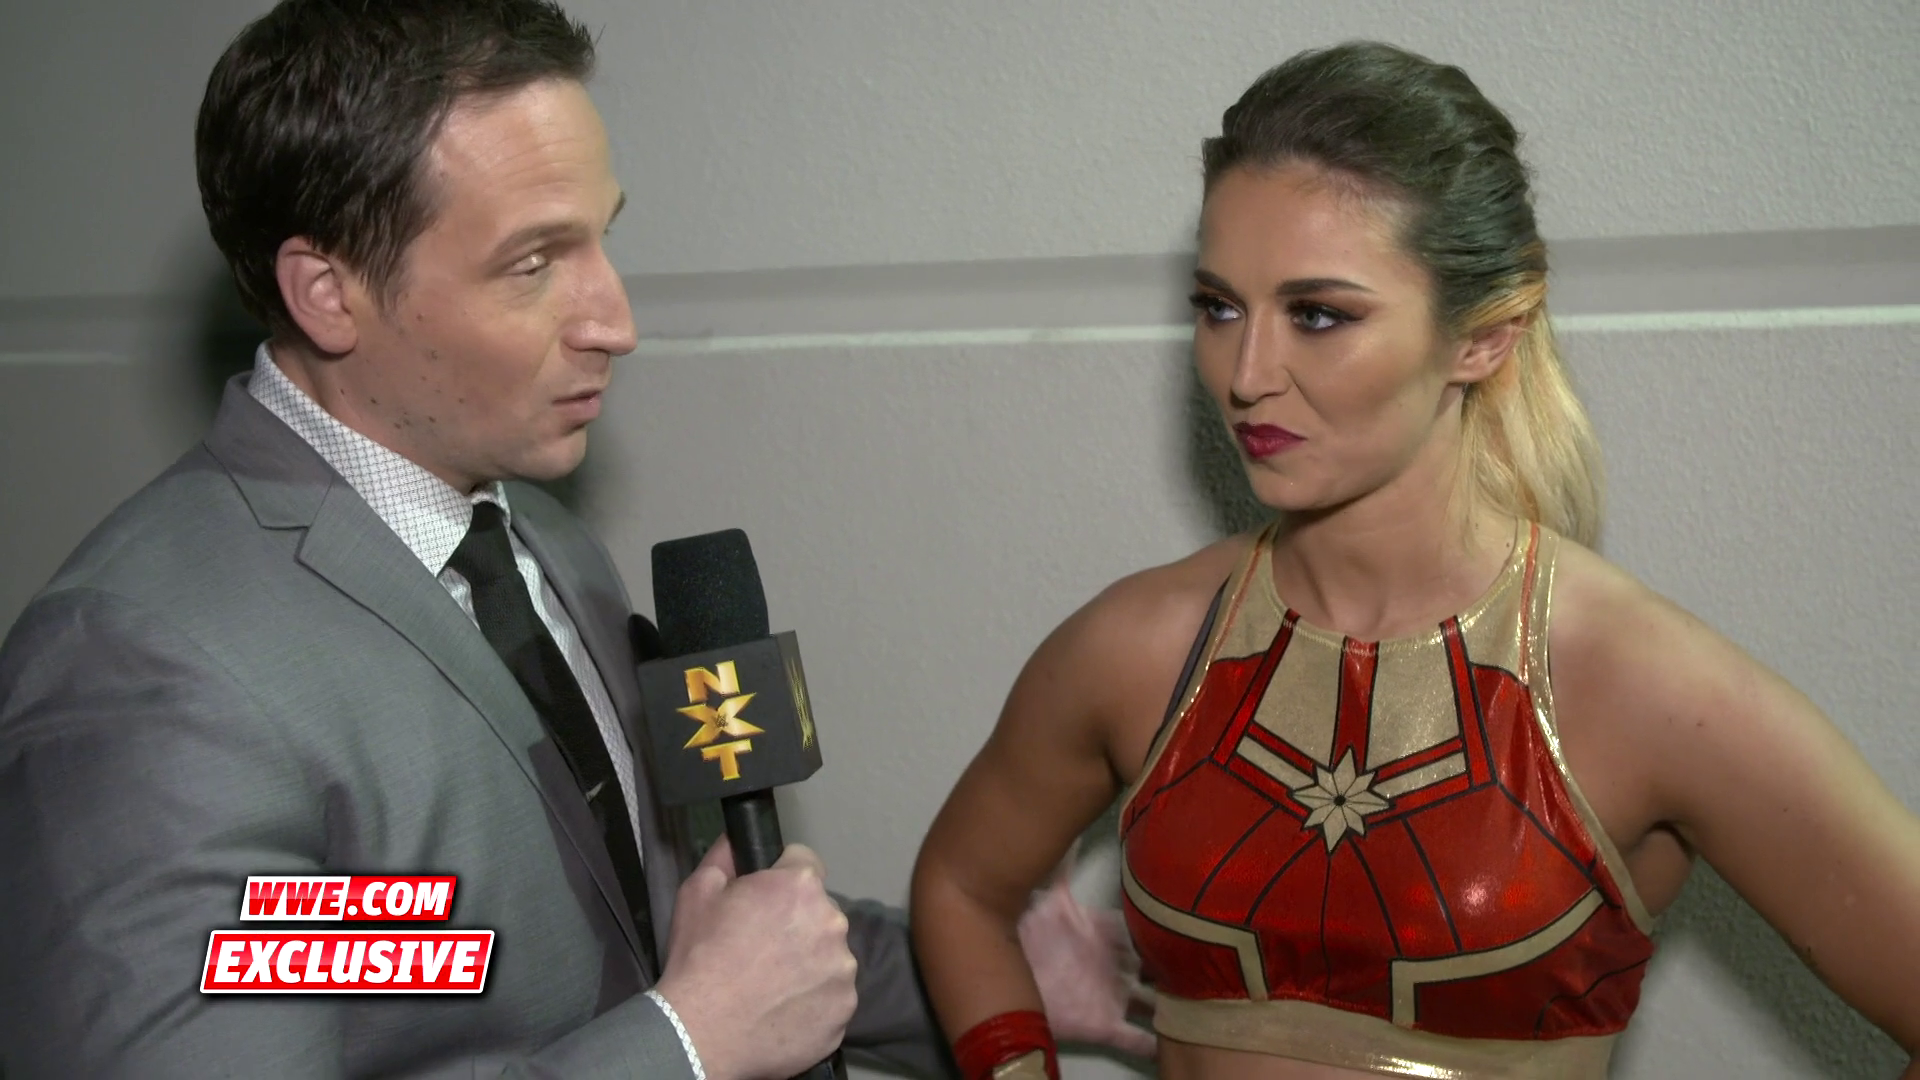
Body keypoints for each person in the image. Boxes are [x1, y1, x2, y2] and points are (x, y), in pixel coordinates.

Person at [0, 2, 1138, 1077]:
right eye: (534, 263)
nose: (616, 322)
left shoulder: (543, 542)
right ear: (329, 294)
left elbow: (650, 918)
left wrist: (991, 979)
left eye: (603, 238)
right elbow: (693, 1006)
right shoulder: (147, 679)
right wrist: (687, 1045)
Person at [910, 40, 1920, 1080]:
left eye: (1318, 315)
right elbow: (960, 889)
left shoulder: (1643, 686)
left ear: (1483, 337)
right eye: (1219, 307)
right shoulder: (1137, 650)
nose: (1247, 374)